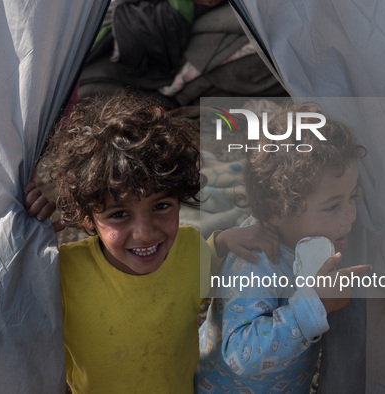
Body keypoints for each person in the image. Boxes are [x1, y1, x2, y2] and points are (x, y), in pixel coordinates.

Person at [41, 91, 279, 393]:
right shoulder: (63, 272)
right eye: (119, 214)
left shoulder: (189, 249)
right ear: (86, 216)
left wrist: (227, 240)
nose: (145, 232)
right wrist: (26, 229)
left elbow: (205, 259)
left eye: (161, 206)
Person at [196, 102, 372, 392]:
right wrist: (314, 306)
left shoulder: (310, 244)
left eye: (352, 197)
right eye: (332, 206)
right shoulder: (254, 262)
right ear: (276, 211)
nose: (351, 216)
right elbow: (239, 355)